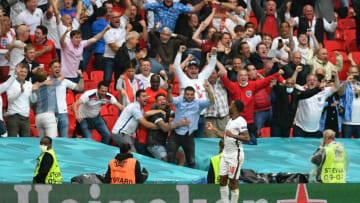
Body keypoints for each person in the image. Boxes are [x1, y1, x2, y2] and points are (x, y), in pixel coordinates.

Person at [218, 65, 283, 144]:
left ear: (248, 77)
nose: (243, 77)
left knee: (253, 143)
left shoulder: (253, 85)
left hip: (249, 122)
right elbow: (226, 82)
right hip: (236, 121)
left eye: (245, 75)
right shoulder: (233, 86)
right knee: (233, 142)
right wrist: (222, 76)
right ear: (237, 77)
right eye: (241, 75)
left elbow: (265, 81)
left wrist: (277, 74)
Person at [206, 100, 250, 203]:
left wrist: (233, 135)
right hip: (225, 154)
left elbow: (247, 138)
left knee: (233, 183)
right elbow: (226, 137)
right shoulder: (230, 120)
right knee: (222, 180)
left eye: (231, 105)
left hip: (235, 155)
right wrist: (213, 129)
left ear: (236, 108)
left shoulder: (241, 121)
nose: (229, 106)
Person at [167, 84, 215, 168]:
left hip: (188, 135)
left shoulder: (198, 103)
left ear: (194, 95)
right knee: (170, 158)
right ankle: (170, 178)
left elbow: (212, 102)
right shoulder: (179, 100)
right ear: (184, 94)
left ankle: (192, 180)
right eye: (187, 94)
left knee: (191, 161)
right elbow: (170, 100)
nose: (189, 96)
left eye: (191, 94)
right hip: (176, 134)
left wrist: (209, 91)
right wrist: (169, 91)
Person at [173, 45, 217, 138]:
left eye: (195, 68)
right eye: (191, 68)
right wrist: (179, 53)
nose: (193, 70)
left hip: (201, 116)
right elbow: (176, 67)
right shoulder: (183, 79)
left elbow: (211, 67)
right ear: (187, 69)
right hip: (188, 116)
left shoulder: (202, 77)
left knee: (199, 142)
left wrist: (213, 55)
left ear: (198, 69)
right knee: (188, 142)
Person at [146, 93, 189, 161]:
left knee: (181, 157)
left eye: (163, 99)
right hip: (154, 144)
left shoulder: (167, 111)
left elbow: (179, 115)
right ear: (156, 103)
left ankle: (176, 172)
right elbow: (165, 128)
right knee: (166, 159)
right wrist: (179, 124)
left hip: (164, 143)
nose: (162, 101)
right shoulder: (155, 114)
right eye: (160, 100)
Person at [49, 59, 83, 138]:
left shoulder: (65, 81)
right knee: (51, 139)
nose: (58, 69)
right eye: (55, 67)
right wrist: (64, 75)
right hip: (50, 114)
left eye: (59, 67)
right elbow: (54, 83)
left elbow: (79, 88)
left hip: (63, 113)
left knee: (64, 139)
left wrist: (81, 77)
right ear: (50, 69)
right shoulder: (46, 80)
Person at [6, 63, 42, 137]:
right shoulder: (11, 83)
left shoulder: (29, 84)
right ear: (17, 72)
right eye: (21, 71)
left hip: (25, 117)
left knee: (25, 143)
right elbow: (10, 100)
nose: (23, 74)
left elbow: (33, 100)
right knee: (12, 143)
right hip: (13, 117)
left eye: (25, 72)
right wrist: (20, 92)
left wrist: (33, 92)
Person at [338, 66, 360, 138]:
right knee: (346, 144)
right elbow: (340, 93)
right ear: (348, 73)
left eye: (356, 73)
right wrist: (346, 82)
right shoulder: (343, 84)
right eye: (352, 73)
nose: (354, 75)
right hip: (347, 122)